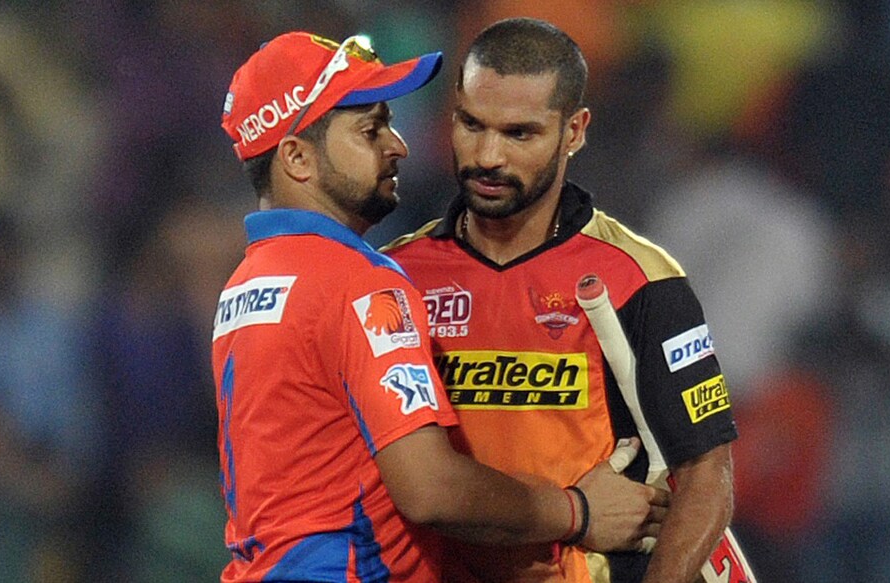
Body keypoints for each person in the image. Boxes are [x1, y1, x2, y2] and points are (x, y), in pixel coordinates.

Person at [213, 31, 668, 583]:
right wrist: (579, 511)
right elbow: (432, 490)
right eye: (370, 128)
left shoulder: (247, 285)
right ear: (297, 158)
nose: (396, 145)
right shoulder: (360, 281)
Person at [383, 18, 739, 583]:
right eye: (472, 124)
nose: (488, 155)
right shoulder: (394, 277)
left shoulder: (641, 279)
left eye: (520, 133)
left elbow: (707, 471)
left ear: (574, 131)